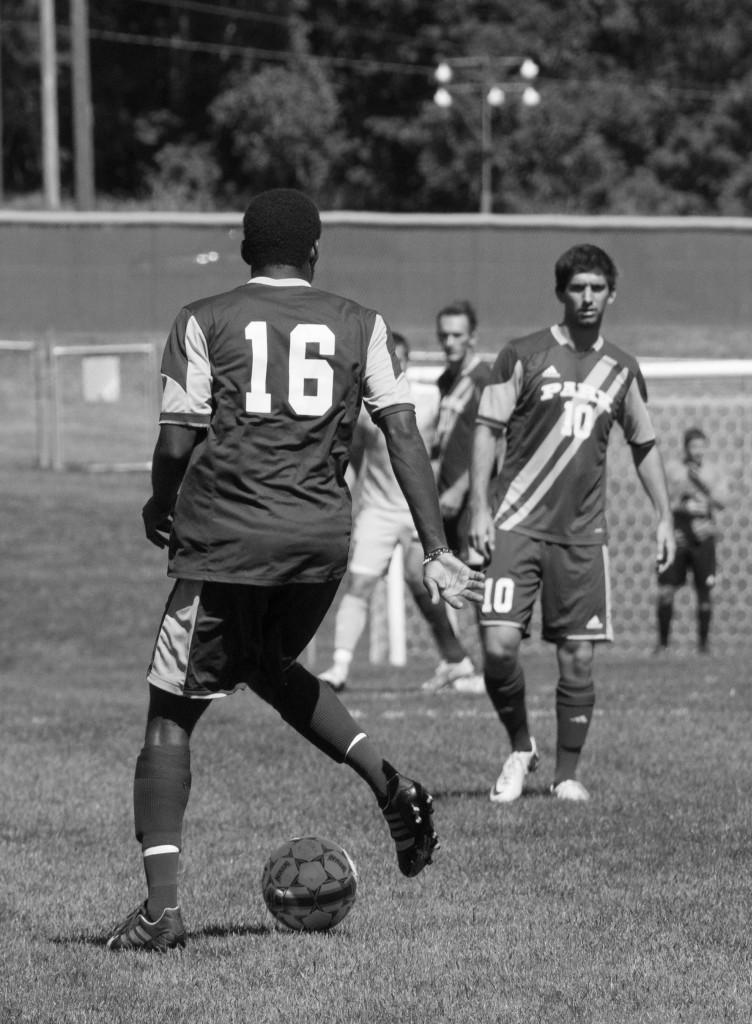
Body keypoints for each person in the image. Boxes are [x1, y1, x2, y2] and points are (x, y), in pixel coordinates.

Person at [106, 189, 484, 952]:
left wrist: (158, 503)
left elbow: (178, 442)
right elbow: (403, 436)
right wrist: (437, 549)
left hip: (228, 543)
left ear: (247, 249)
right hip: (318, 545)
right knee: (269, 666)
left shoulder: (203, 318)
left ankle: (161, 913)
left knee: (170, 716)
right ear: (315, 251)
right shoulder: (363, 323)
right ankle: (390, 782)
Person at [468, 243, 675, 804]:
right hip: (514, 523)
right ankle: (519, 746)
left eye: (597, 288)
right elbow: (487, 428)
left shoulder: (624, 371)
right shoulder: (521, 355)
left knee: (578, 656)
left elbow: (646, 445)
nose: (587, 297)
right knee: (499, 646)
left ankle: (565, 776)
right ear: (561, 293)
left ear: (612, 293)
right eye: (577, 288)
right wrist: (481, 509)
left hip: (583, 535)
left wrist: (664, 517)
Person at [318, 333, 481, 692]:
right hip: (377, 511)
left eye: (401, 358)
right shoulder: (362, 412)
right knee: (359, 585)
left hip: (415, 512)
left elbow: (437, 452)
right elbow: (356, 458)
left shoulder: (430, 400)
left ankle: (456, 660)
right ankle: (340, 668)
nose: (397, 364)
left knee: (424, 585)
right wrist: (340, 496)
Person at [422, 300, 492, 692]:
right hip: (444, 502)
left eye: (456, 335)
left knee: (478, 584)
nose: (449, 342)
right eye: (443, 335)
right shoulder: (445, 381)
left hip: (473, 504)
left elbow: (494, 442)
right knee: (443, 583)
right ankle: (456, 663)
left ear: (472, 338)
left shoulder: (483, 379)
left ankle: (490, 669)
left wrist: (461, 488)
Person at [655, 427, 728, 654]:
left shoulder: (713, 472)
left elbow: (722, 501)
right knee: (666, 588)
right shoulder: (674, 470)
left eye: (701, 446)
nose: (697, 451)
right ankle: (663, 644)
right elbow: (663, 498)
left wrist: (704, 488)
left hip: (703, 536)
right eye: (693, 446)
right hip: (678, 535)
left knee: (704, 590)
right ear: (685, 447)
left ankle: (703, 646)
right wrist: (681, 506)